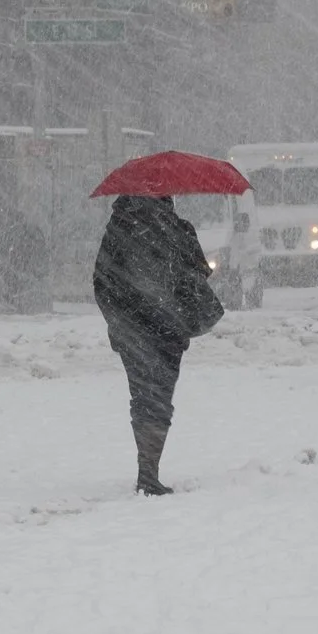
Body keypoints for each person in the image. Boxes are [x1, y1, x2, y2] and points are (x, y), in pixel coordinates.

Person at [92, 193, 219, 496]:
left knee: (142, 396)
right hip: (167, 329)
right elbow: (198, 276)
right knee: (159, 398)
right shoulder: (178, 229)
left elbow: (101, 283)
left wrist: (120, 319)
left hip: (131, 332)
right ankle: (149, 472)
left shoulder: (118, 230)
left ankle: (146, 471)